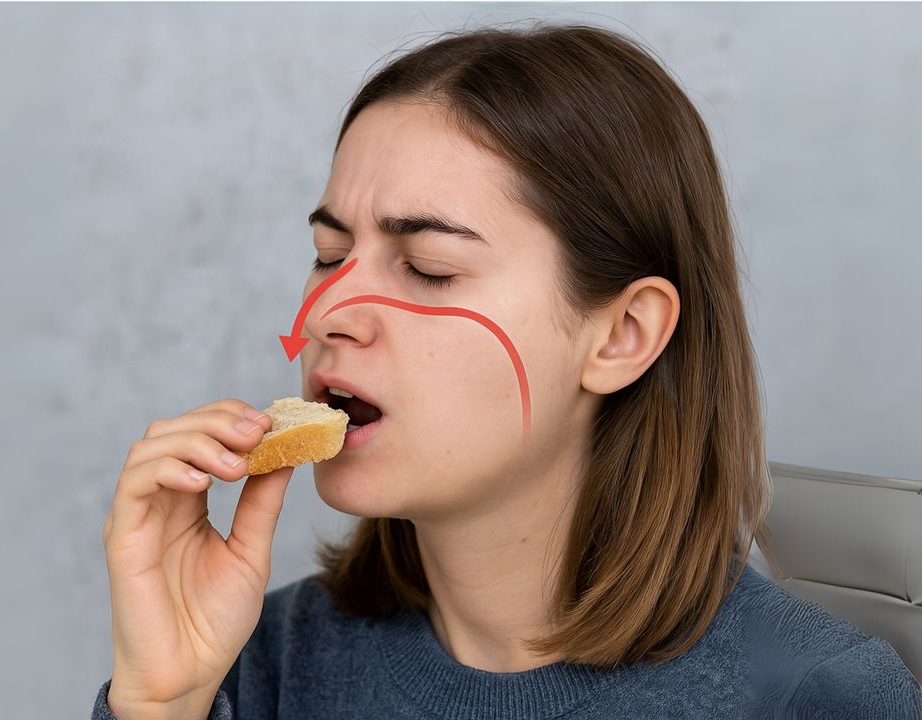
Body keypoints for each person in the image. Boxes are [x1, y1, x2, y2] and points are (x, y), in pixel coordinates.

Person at [92, 20, 922, 719]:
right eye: (329, 254)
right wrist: (160, 704)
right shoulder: (256, 663)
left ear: (623, 335)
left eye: (428, 268)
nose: (325, 313)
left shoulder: (814, 694)